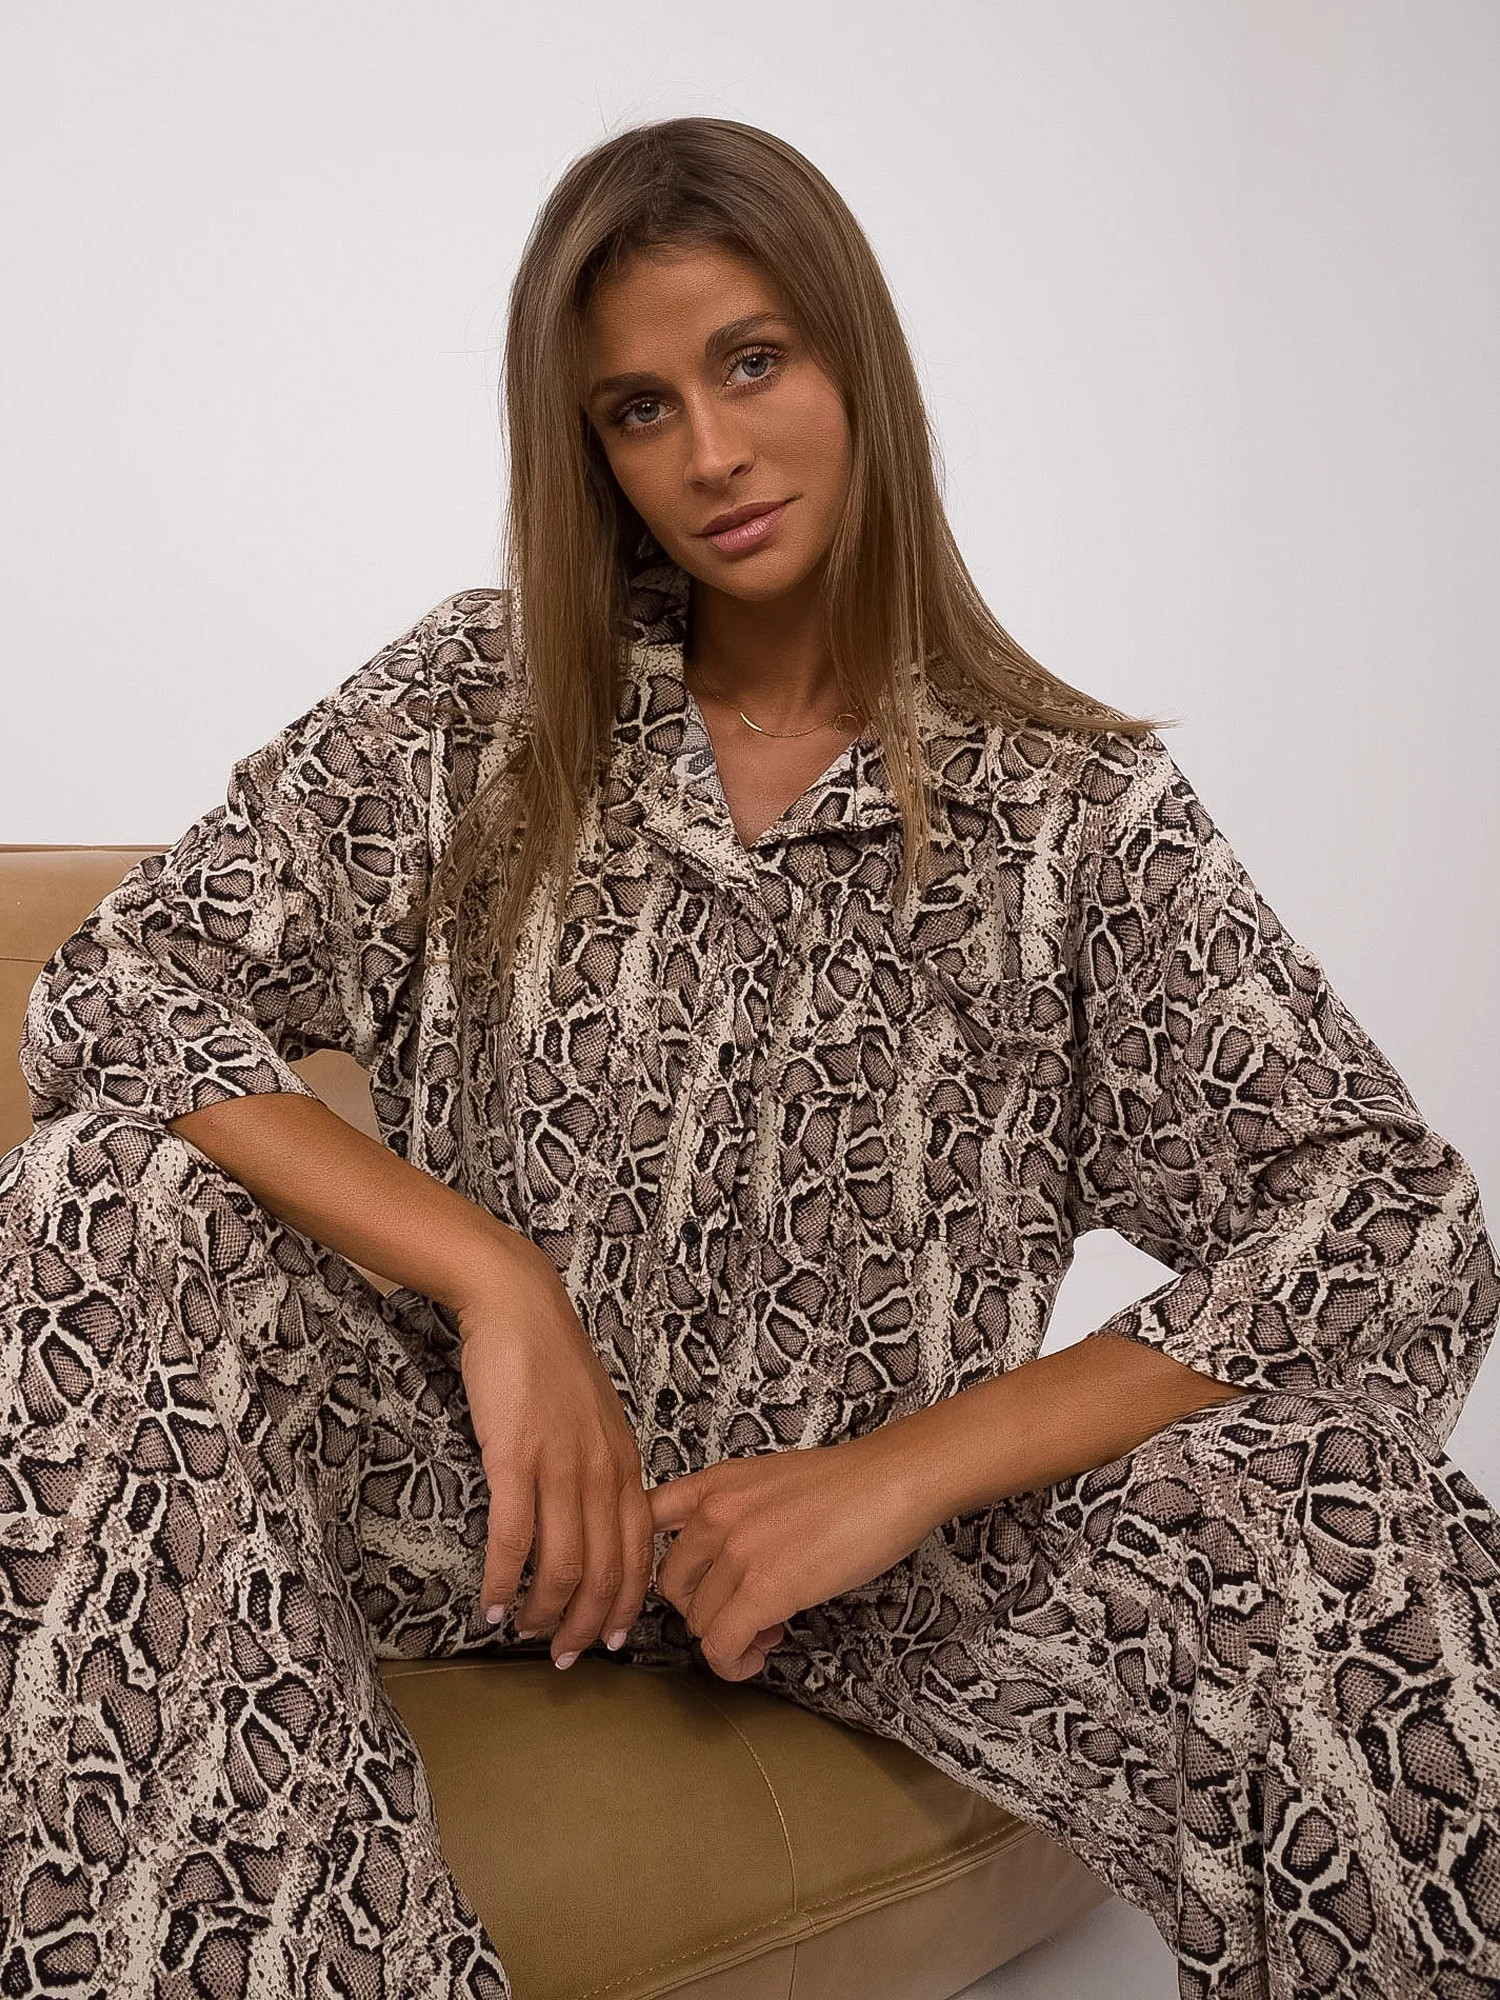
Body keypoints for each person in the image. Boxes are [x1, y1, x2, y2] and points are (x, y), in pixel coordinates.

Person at [2, 113, 1498, 2000]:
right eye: (638, 409)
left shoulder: (1075, 817)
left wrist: (887, 1479)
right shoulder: (481, 705)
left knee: (1339, 1510)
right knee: (99, 1196)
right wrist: (496, 1284)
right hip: (477, 1499)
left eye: (754, 362)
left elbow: (1393, 1223)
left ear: (856, 363)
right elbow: (121, 985)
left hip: (881, 1584)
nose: (708, 452)